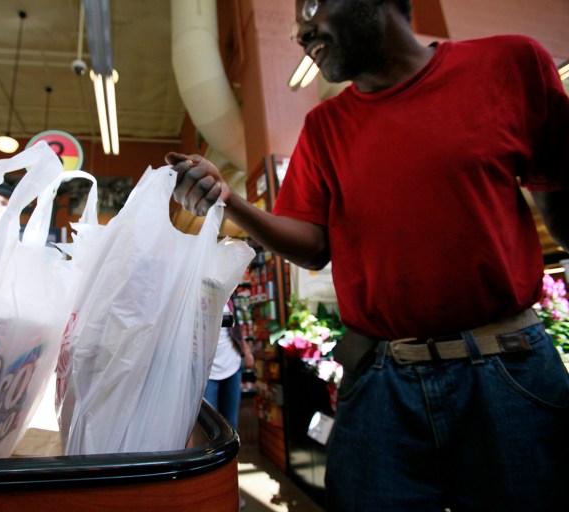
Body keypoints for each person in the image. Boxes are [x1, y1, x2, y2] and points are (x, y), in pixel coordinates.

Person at [165, 0, 569, 510]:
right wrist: (230, 202)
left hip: (507, 372)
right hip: (381, 382)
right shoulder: (324, 128)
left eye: (310, 5)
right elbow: (312, 249)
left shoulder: (510, 65)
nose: (298, 30)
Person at [204, 300, 255, 430]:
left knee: (231, 424)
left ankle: (233, 451)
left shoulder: (228, 296)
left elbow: (235, 328)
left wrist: (247, 352)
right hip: (207, 372)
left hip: (232, 366)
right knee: (209, 425)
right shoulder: (193, 295)